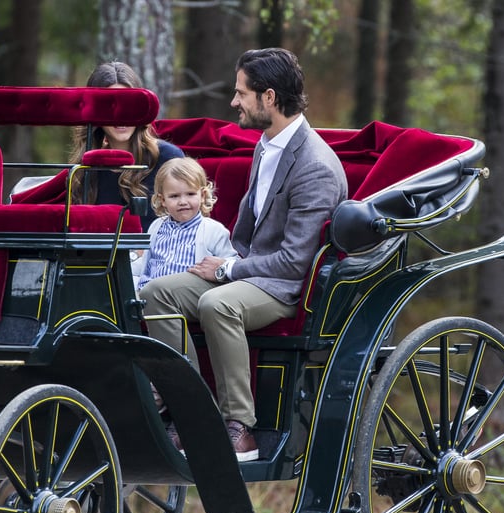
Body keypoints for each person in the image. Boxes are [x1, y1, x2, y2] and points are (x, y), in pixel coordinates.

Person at [140, 48, 348, 462]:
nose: (234, 102)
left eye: (241, 93)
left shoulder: (316, 167)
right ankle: (189, 413)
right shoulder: (266, 145)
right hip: (249, 272)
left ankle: (240, 428)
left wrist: (228, 268)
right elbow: (248, 231)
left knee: (218, 304)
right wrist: (223, 262)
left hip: (284, 286)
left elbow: (294, 261)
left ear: (268, 98)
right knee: (156, 293)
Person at [68, 61, 183, 229]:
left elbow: (189, 224)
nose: (120, 115)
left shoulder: (168, 158)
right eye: (110, 106)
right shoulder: (83, 169)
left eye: (128, 104)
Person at [132, 156, 237, 291]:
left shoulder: (214, 230)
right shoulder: (156, 226)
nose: (183, 201)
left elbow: (231, 264)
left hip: (185, 296)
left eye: (190, 194)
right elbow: (146, 264)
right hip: (148, 292)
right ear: (162, 200)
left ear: (203, 195)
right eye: (174, 196)